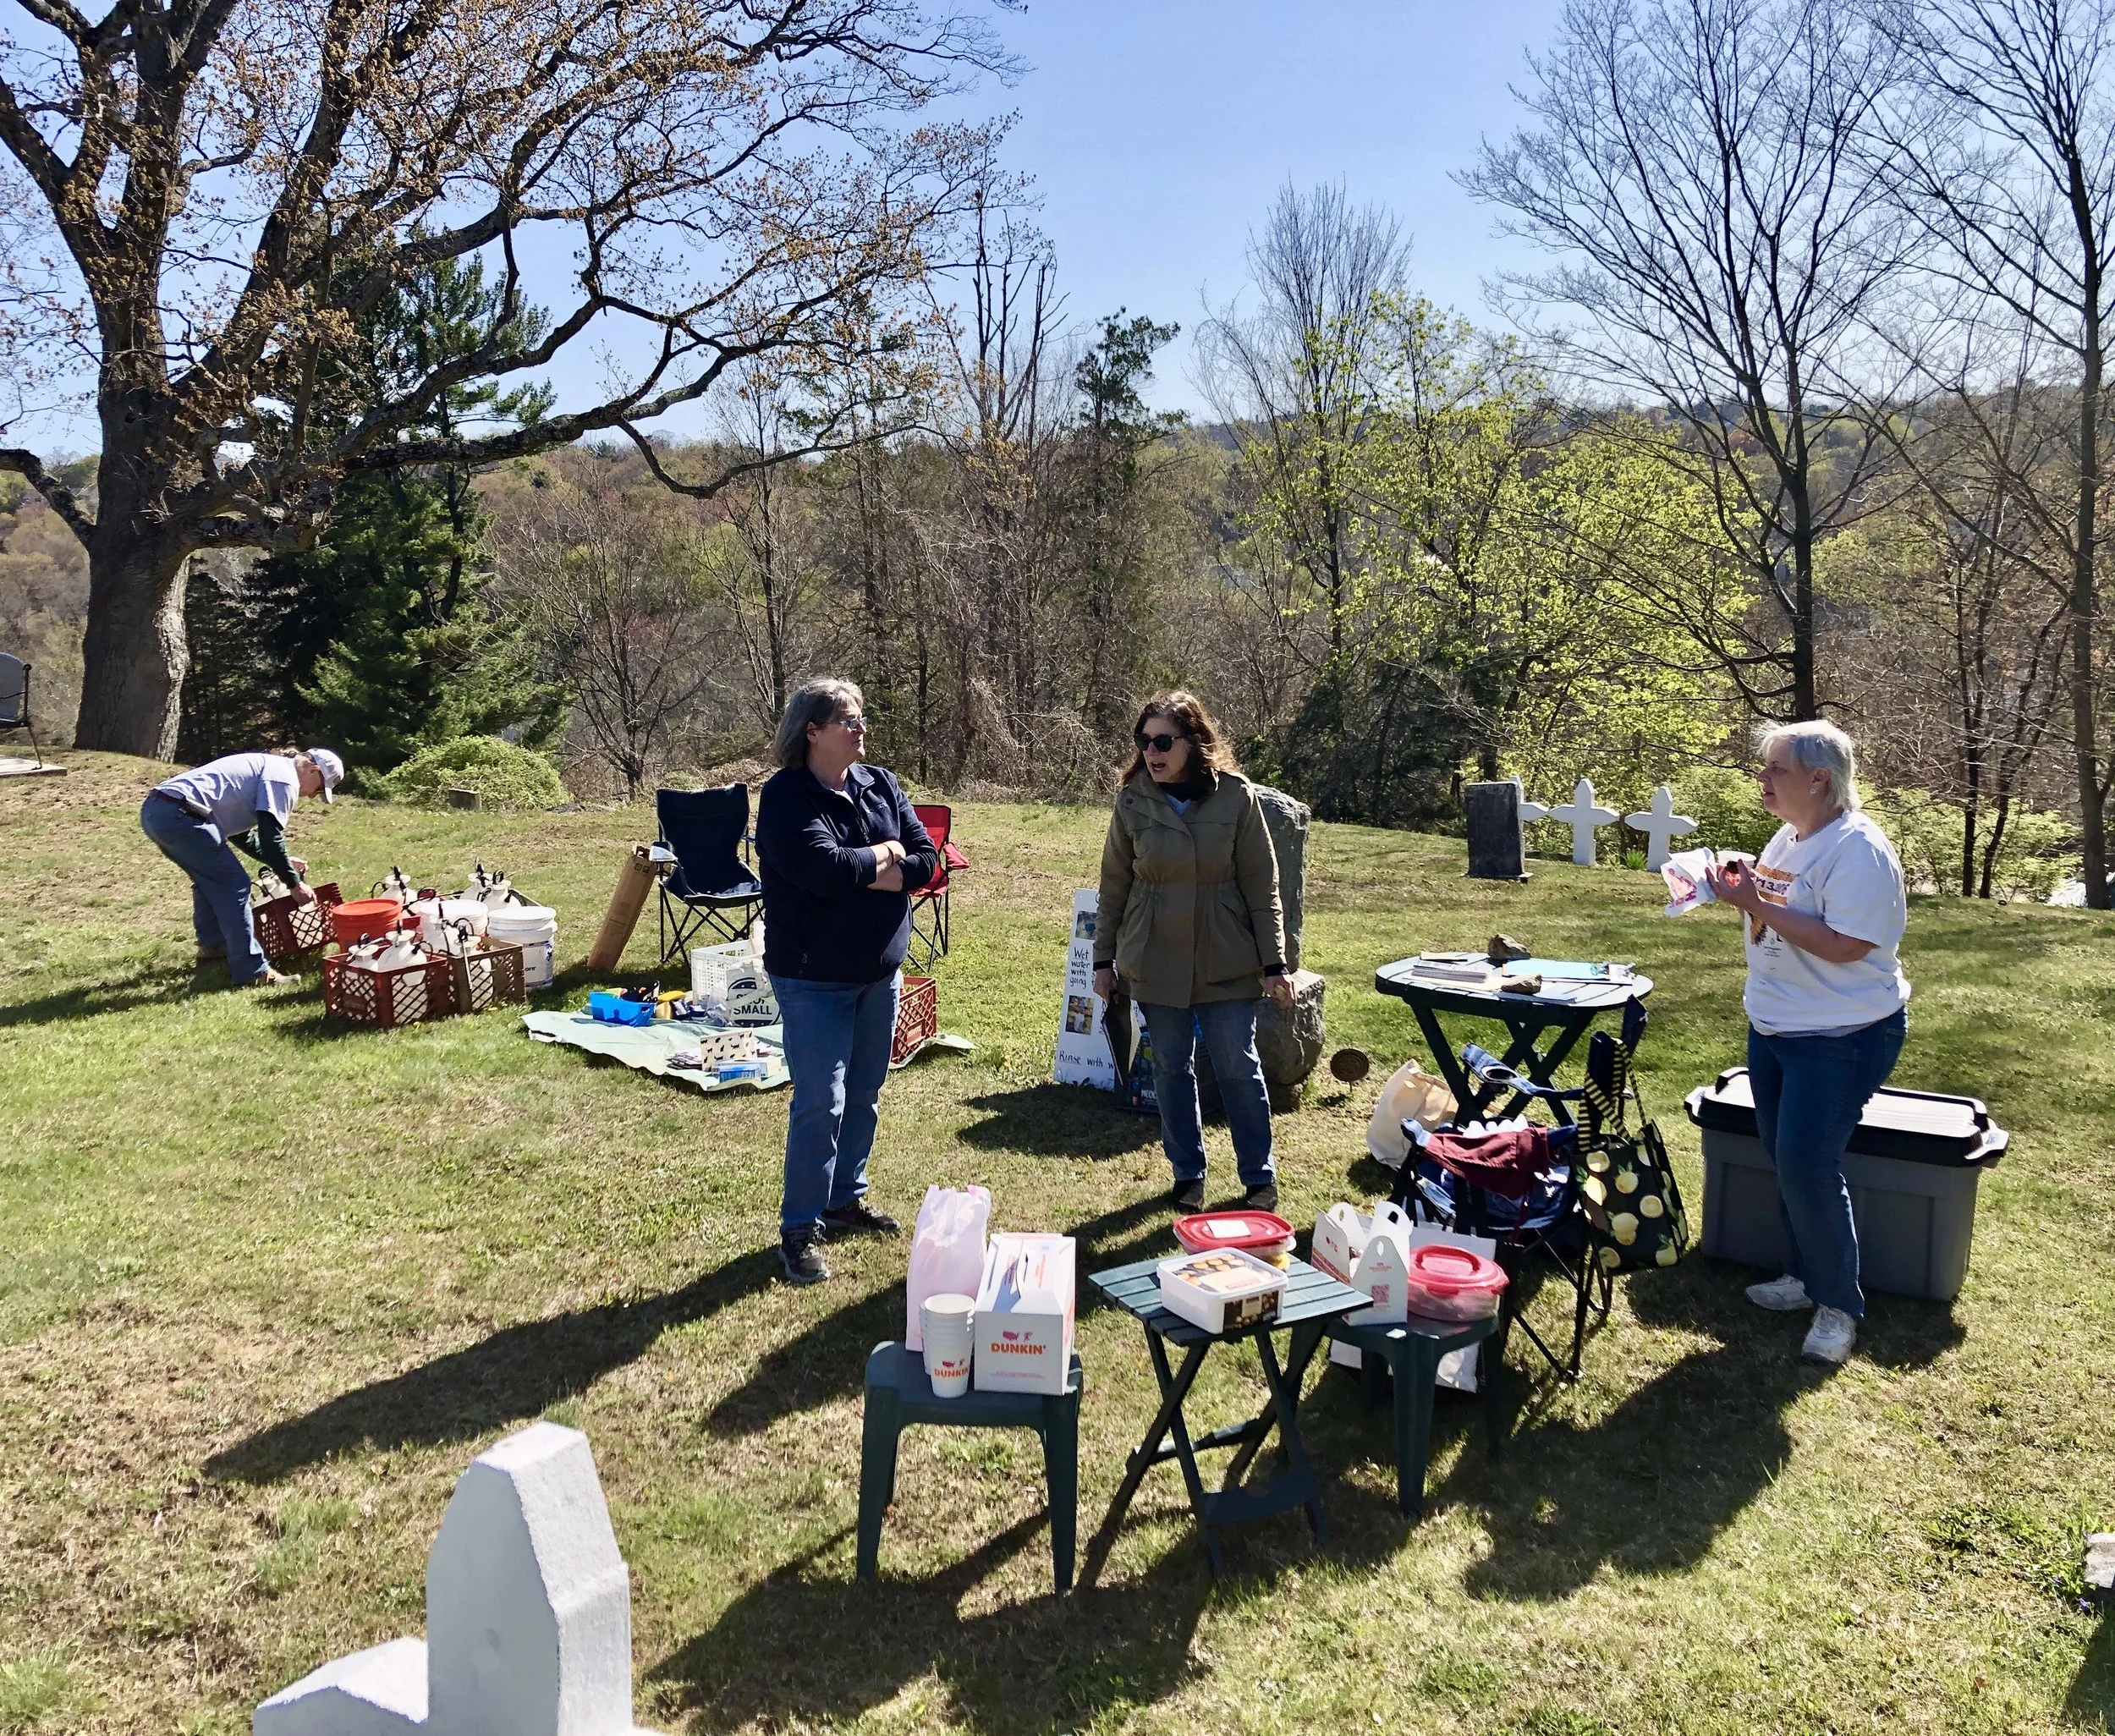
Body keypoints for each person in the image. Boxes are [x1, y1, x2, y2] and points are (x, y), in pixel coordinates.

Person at [1705, 720, 1910, 1367]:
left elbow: (1846, 945)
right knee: (1784, 1155)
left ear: (1819, 778)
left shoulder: (1859, 851)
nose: (1762, 780)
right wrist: (1739, 889)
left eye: (1775, 770)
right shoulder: (1791, 837)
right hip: (1775, 1025)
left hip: (1841, 1033)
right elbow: (1774, 907)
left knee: (1807, 1164)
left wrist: (1752, 901)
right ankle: (1801, 1277)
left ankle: (1837, 1307)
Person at [755, 678, 938, 1285]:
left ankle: (843, 1200)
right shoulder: (786, 796)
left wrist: (879, 861)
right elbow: (825, 869)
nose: (860, 730)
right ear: (812, 731)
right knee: (820, 1103)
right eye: (847, 721)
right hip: (813, 977)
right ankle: (799, 1228)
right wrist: (885, 857)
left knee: (863, 1093)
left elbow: (926, 861)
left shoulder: (880, 783)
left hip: (878, 970)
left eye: (862, 719)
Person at [1092, 691, 1294, 1216]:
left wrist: (1275, 964)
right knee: (1171, 1070)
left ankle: (1258, 1177)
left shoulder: (1236, 797)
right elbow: (1113, 885)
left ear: (1194, 743)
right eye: (1144, 741)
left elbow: (1262, 886)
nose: (1152, 751)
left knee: (1237, 1066)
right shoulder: (1133, 798)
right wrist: (1102, 960)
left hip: (1226, 957)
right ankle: (1188, 1174)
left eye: (1163, 741)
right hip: (1154, 956)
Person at [140, 748, 344, 987]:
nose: (312, 796)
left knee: (211, 881)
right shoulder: (284, 778)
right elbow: (271, 838)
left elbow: (242, 835)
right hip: (181, 815)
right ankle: (253, 971)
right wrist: (294, 884)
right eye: (319, 789)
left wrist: (284, 863)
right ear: (313, 770)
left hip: (158, 811)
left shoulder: (270, 767)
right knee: (234, 885)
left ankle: (214, 951)